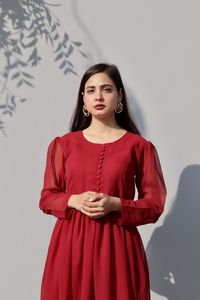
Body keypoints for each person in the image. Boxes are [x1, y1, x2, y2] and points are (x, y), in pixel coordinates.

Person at [39, 63, 167, 300]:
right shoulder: (63, 145)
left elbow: (154, 205)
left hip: (118, 247)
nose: (98, 96)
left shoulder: (139, 147)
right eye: (91, 90)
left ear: (119, 95)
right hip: (71, 247)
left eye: (106, 89)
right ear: (83, 99)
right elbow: (47, 197)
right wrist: (73, 199)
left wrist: (117, 204)